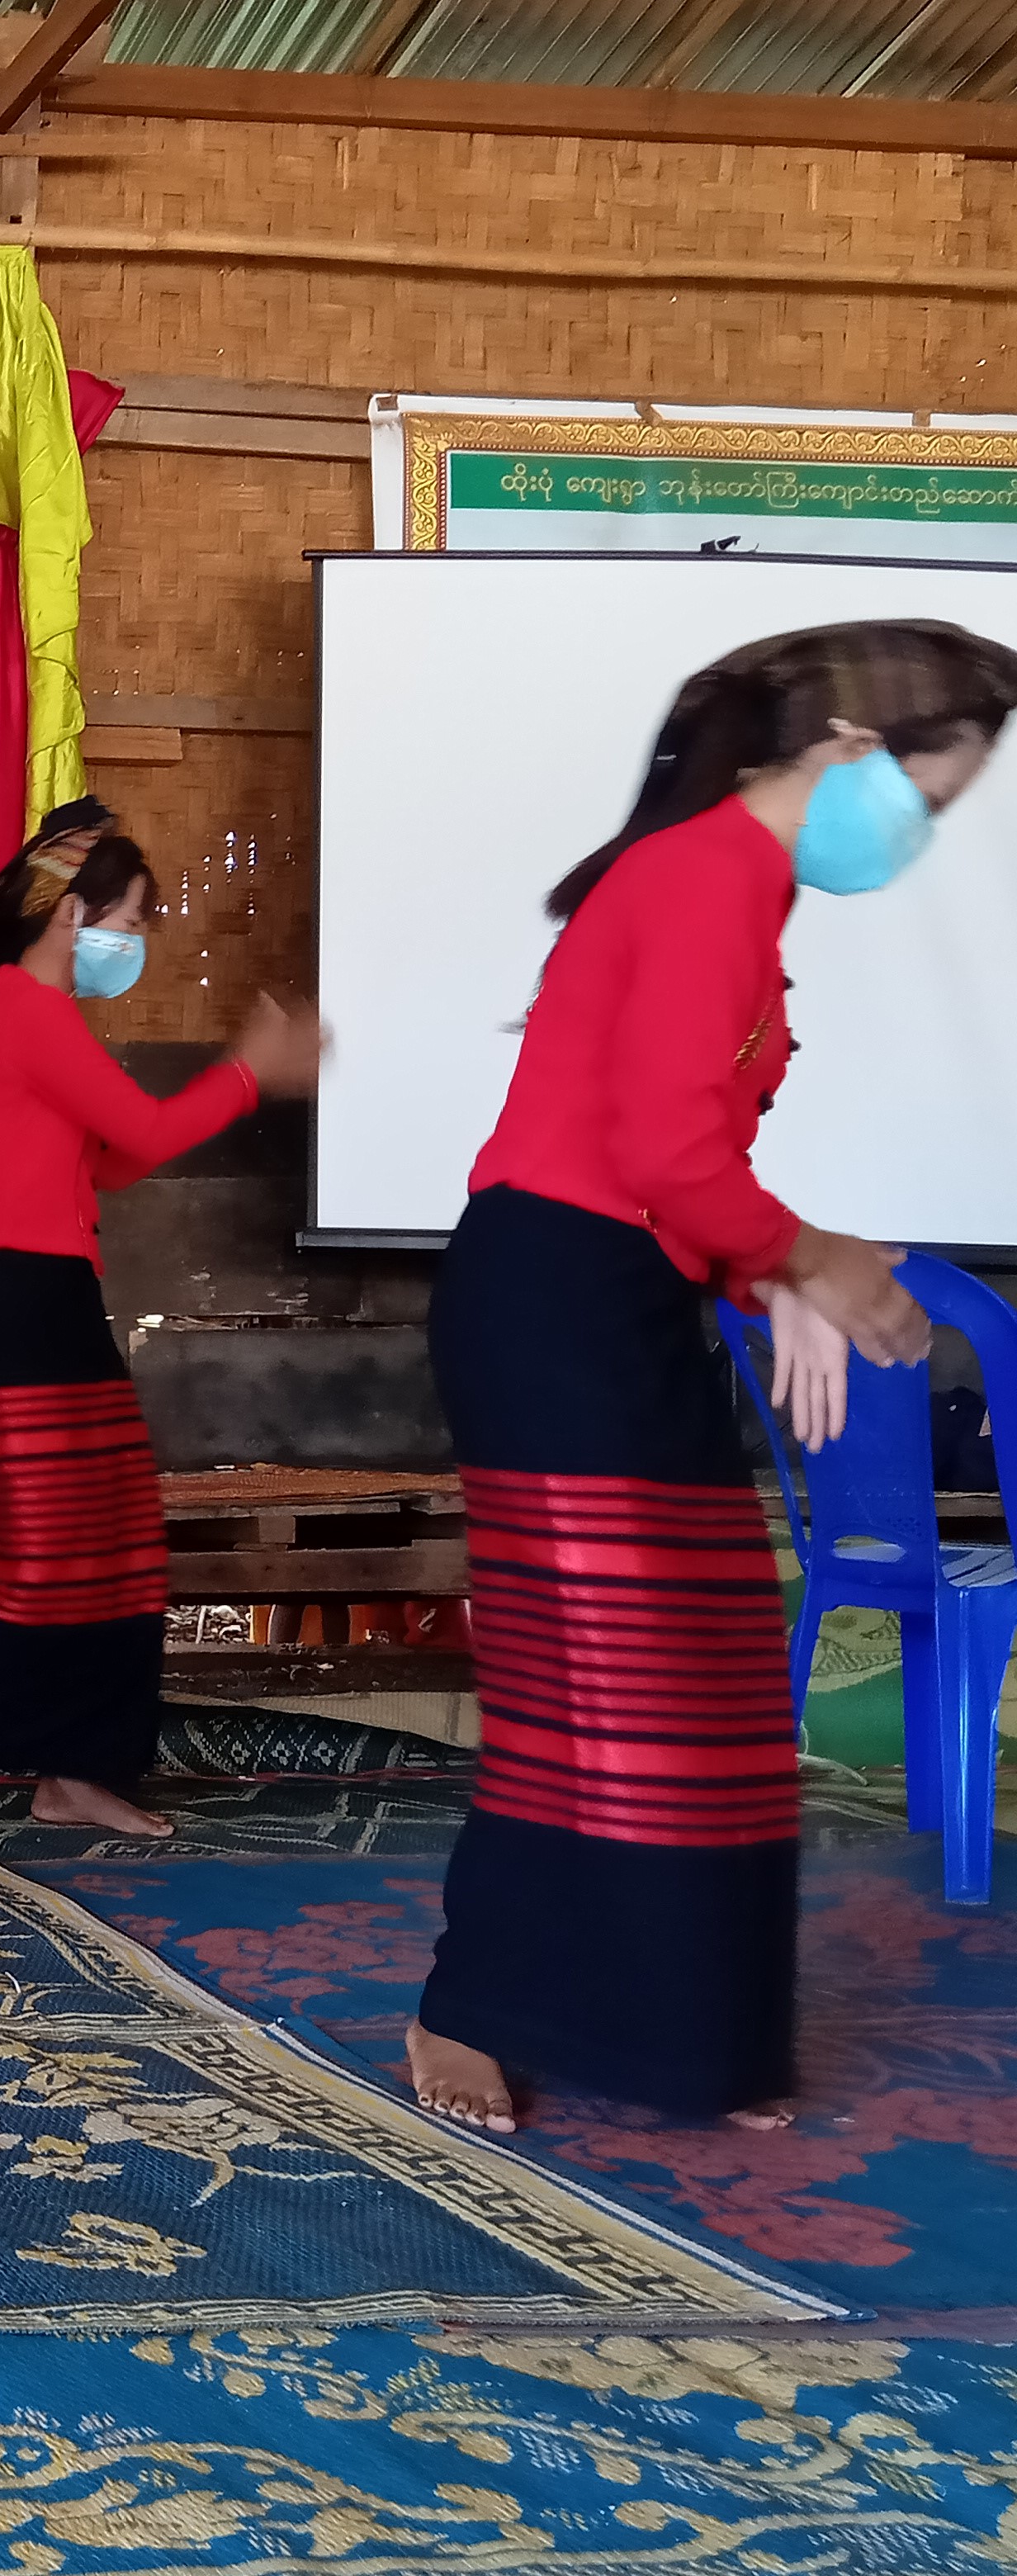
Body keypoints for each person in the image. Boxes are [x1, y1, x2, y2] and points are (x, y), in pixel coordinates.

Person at [408, 620, 1017, 2137]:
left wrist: (766, 1274)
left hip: (619, 1294)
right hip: (550, 1297)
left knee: (710, 1670)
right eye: (935, 798)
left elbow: (695, 1170)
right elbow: (665, 1154)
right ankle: (470, 2007)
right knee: (590, 1674)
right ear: (852, 755)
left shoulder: (735, 892)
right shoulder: (698, 880)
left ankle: (689, 2036)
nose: (926, 834)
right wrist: (818, 1263)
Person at [0, 828, 323, 1847]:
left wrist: (208, 1095)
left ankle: (74, 1771)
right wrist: (247, 1073)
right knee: (45, 1564)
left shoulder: (36, 1021)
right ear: (70, 913)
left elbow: (105, 1166)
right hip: (13, 1315)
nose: (137, 937)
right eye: (133, 917)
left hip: (49, 1307)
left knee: (120, 1558)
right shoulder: (23, 1010)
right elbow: (145, 1136)